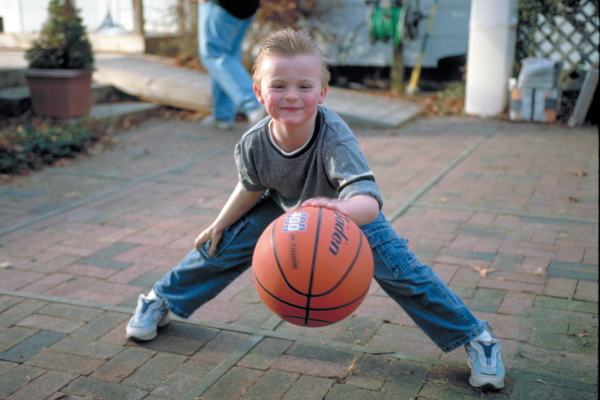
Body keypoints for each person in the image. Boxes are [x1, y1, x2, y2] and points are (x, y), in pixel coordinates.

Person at [126, 28, 505, 391]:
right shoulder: (253, 142)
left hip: (346, 213)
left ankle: (477, 338)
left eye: (304, 86)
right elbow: (251, 186)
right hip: (282, 208)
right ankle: (160, 299)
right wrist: (218, 223)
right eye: (279, 86)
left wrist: (337, 210)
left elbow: (368, 203)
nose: (291, 96)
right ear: (259, 93)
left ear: (322, 93)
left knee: (404, 273)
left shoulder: (335, 139)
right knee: (217, 246)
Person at [198, 0, 266, 130]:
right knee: (228, 57)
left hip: (221, 5)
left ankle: (254, 103)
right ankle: (223, 115)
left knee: (212, 53)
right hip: (246, 7)